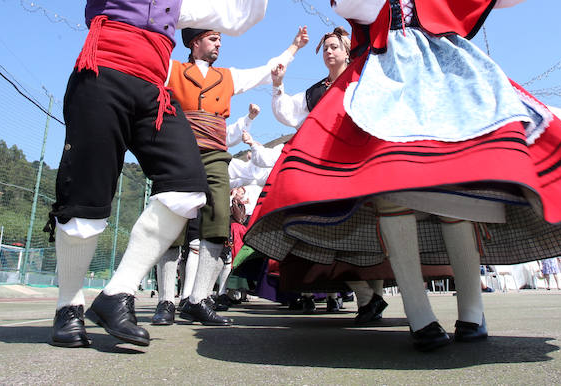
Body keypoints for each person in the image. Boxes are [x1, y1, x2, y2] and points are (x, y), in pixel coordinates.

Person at [245, 0, 561, 352]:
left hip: (449, 83)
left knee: (456, 194)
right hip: (382, 86)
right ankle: (419, 314)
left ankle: (472, 312)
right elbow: (359, 4)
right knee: (391, 189)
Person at [46, 0, 280, 349]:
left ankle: (118, 292)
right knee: (86, 201)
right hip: (100, 83)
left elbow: (232, 11)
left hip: (152, 95)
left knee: (186, 186)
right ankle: (69, 308)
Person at [155, 26, 308, 327]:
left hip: (215, 153)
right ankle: (165, 300)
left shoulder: (226, 77)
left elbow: (267, 70)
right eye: (213, 39)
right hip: (179, 150)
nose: (219, 44)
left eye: (220, 40)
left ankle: (198, 299)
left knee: (217, 222)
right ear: (195, 42)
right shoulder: (171, 70)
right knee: (170, 223)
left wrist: (294, 47)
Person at [271, 27, 388, 323]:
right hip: (328, 170)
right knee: (328, 232)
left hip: (362, 164)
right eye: (325, 48)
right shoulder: (316, 91)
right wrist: (278, 84)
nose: (329, 51)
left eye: (334, 47)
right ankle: (367, 297)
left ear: (347, 50)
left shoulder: (362, 79)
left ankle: (374, 299)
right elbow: (286, 112)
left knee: (367, 232)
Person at [151, 104, 261, 326]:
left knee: (210, 245)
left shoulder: (226, 161)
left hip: (207, 205)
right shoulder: (178, 115)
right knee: (173, 240)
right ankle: (167, 301)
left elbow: (249, 165)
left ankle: (196, 298)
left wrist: (250, 127)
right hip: (179, 173)